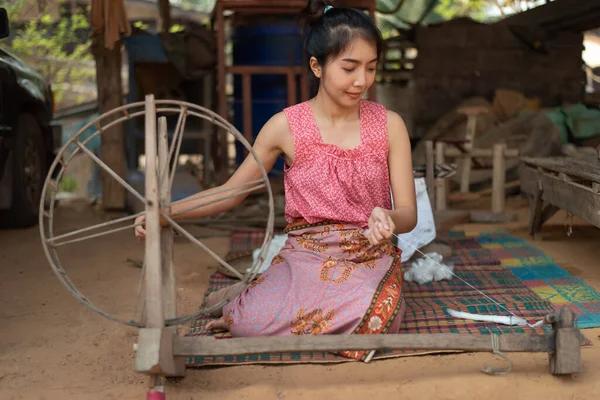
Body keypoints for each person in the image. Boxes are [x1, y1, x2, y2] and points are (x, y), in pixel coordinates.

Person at [135, 0, 417, 361]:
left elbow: (409, 213)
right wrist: (165, 212)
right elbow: (231, 193)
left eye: (371, 68)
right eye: (349, 67)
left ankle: (264, 296)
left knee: (377, 317)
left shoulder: (389, 125)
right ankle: (247, 299)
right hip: (305, 258)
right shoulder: (285, 127)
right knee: (248, 324)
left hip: (367, 259)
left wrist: (390, 218)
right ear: (317, 66)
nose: (362, 80)